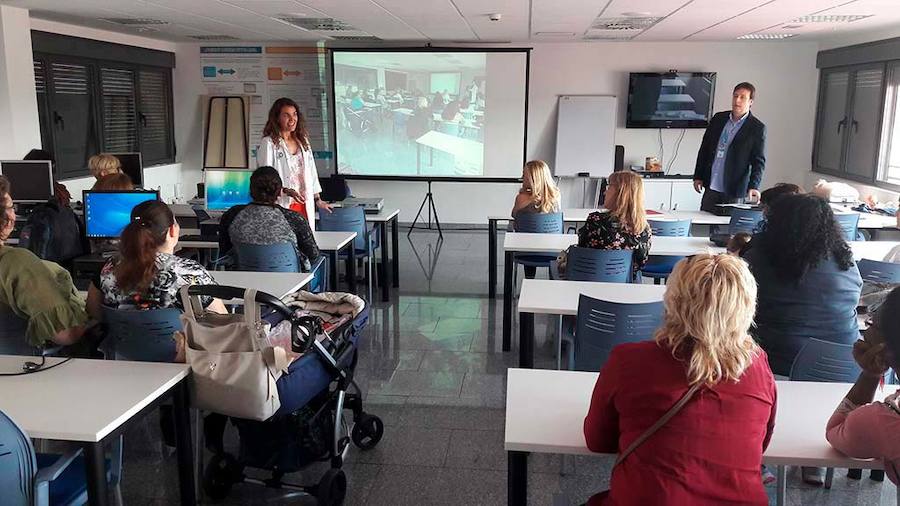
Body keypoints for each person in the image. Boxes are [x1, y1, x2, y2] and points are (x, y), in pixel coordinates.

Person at [583, 254, 776, 506]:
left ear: (673, 300)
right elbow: (761, 442)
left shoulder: (628, 361)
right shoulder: (759, 366)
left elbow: (597, 441)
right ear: (746, 306)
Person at [742, 194, 861, 376]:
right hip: (845, 365)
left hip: (776, 363)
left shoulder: (759, 261)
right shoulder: (846, 262)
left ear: (776, 224)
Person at [86, 200, 227, 319]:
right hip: (179, 350)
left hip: (121, 349)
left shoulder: (108, 268)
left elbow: (94, 314)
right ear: (172, 231)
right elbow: (221, 321)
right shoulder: (191, 273)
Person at [0, 175, 88, 349]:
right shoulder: (16, 263)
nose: (14, 213)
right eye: (11, 207)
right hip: (17, 369)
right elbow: (66, 335)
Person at [826, 287, 900, 484]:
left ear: (887, 347)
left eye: (872, 325)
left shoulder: (885, 420)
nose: (866, 333)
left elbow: (835, 431)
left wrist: (871, 373)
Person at [218, 166, 320, 271]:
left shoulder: (231, 215)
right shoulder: (294, 219)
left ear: (251, 190)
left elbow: (224, 252)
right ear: (280, 192)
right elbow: (313, 256)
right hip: (287, 284)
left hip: (243, 283)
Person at [257, 97, 332, 228]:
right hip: (282, 204)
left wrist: (318, 200)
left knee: (304, 243)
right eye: (286, 115)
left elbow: (311, 173)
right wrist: (285, 190)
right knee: (286, 243)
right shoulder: (269, 143)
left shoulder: (302, 141)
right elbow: (265, 179)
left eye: (294, 114)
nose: (292, 119)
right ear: (277, 118)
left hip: (303, 203)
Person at [693, 82, 767, 213]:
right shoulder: (718, 119)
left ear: (751, 102)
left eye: (742, 97)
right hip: (711, 186)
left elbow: (758, 161)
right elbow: (704, 149)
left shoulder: (756, 128)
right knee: (704, 226)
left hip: (734, 189)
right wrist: (698, 176)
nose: (737, 100)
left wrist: (753, 186)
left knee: (728, 230)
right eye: (735, 96)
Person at [577, 171, 652, 276]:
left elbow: (582, 254)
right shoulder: (644, 228)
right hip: (627, 285)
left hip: (592, 280)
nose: (604, 192)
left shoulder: (596, 221)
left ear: (620, 193)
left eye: (609, 187)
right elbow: (641, 263)